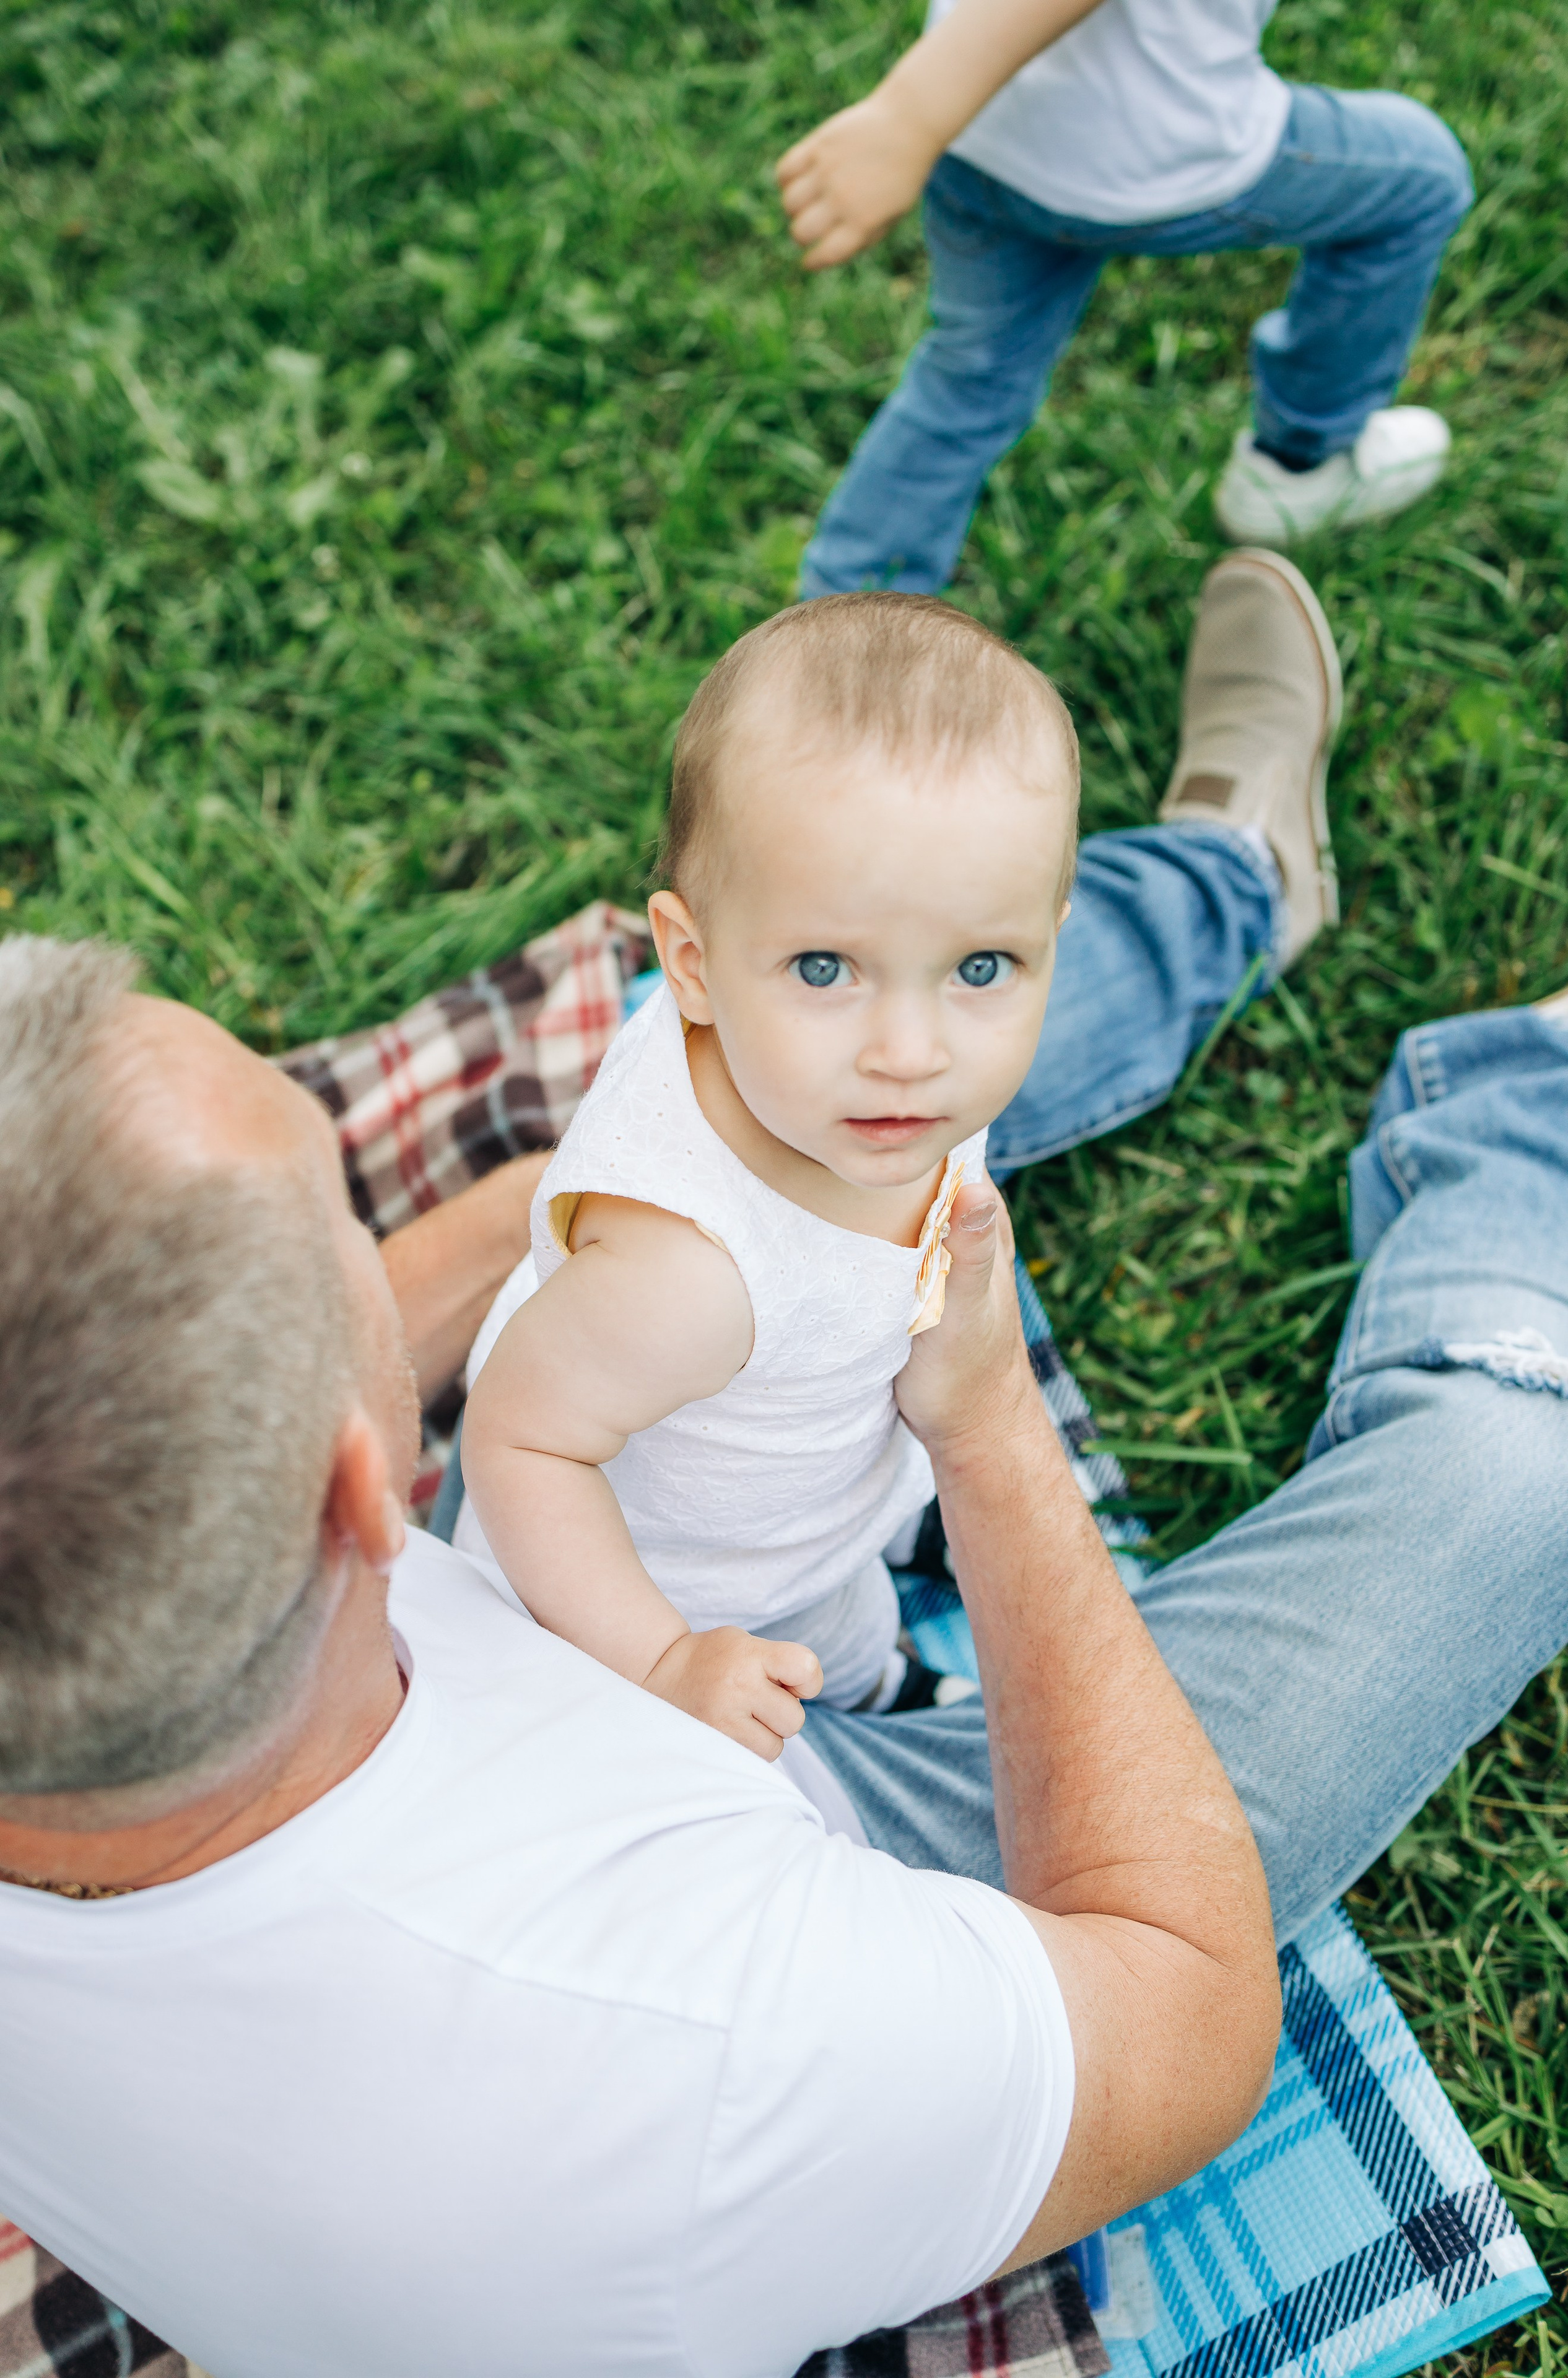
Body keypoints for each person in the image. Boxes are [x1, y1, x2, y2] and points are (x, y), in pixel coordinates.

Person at [0, 944, 1277, 2376]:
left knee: (850, 999)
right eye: (351, 1221)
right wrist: (983, 1420)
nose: (379, 1235)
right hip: (785, 1862)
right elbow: (1188, 2017)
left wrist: (588, 1202)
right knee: (1496, 1478)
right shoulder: (699, 2041)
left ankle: (1200, 894)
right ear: (368, 1501)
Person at [456, 596, 1081, 1730]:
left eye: (983, 967)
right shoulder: (687, 1277)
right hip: (659, 1601)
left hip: (814, 1517)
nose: (911, 1054)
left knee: (852, 1637)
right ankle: (885, 1696)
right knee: (820, 1661)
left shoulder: (842, 1088)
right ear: (691, 966)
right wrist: (661, 1662)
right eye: (825, 969)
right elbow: (518, 1439)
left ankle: (885, 1667)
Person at [775, 0, 1474, 579]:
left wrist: (927, 118)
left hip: (982, 140)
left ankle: (840, 640)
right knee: (1421, 179)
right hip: (1143, 155)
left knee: (968, 381)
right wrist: (909, 114)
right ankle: (1299, 465)